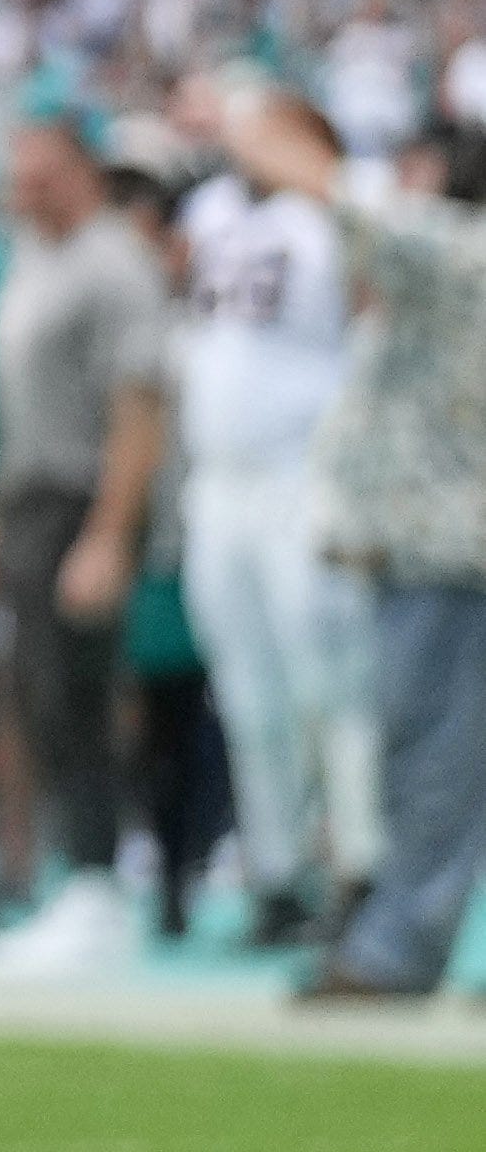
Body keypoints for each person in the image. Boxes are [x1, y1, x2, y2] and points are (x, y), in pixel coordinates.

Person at [198, 66, 486, 1004]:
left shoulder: (459, 252)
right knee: (429, 750)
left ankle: (401, 947)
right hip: (425, 544)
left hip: (450, 550)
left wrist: (241, 114)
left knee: (430, 756)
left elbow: (331, 185)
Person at [0, 112, 175, 978]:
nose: (26, 187)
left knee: (78, 694)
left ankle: (96, 882)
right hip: (30, 495)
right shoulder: (30, 258)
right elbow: (20, 414)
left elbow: (138, 404)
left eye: (43, 171)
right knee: (39, 694)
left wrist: (110, 534)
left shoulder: (113, 264)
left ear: (82, 170)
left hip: (83, 495)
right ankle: (77, 877)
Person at [179, 107, 364, 946]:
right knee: (247, 693)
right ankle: (277, 868)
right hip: (220, 482)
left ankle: (361, 865)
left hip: (304, 473)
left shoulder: (340, 209)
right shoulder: (213, 208)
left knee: (331, 682)